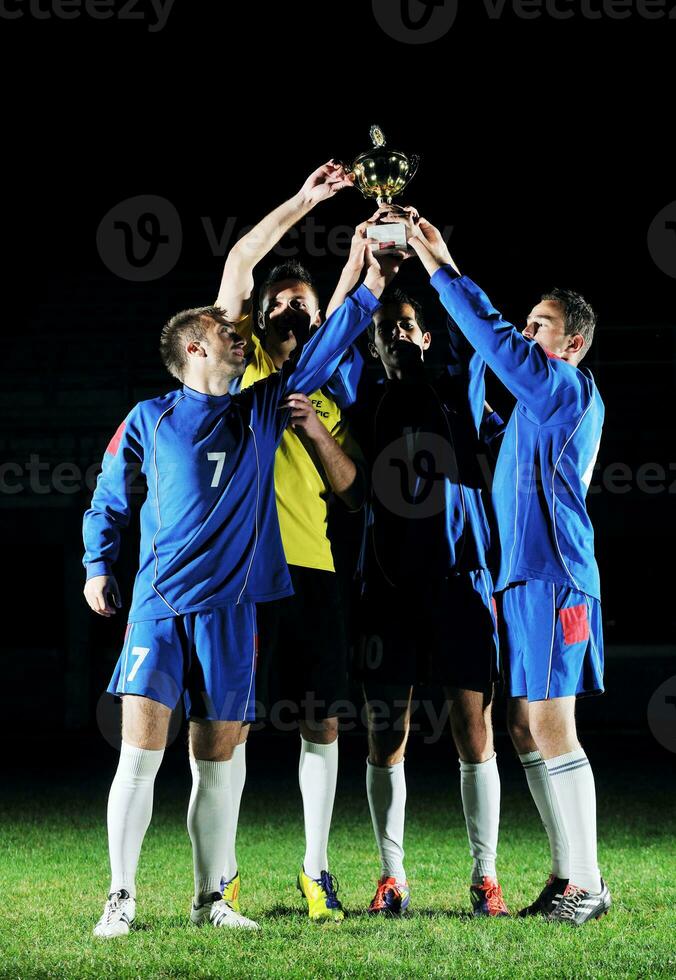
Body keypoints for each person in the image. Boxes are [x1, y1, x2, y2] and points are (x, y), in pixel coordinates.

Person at [82, 216, 394, 937]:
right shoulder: (149, 417)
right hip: (158, 608)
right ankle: (120, 897)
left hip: (230, 613)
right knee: (139, 755)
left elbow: (332, 335)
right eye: (224, 326)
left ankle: (210, 898)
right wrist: (99, 564)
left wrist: (368, 274)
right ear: (194, 344)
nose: (238, 328)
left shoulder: (260, 410)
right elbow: (108, 495)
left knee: (216, 762)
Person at [408, 217, 611, 926]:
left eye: (542, 325)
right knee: (523, 726)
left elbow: (492, 336)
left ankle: (587, 884)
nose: (528, 335)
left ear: (573, 343)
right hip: (521, 578)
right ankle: (567, 877)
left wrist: (438, 265)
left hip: (555, 576)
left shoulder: (564, 389)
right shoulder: (533, 408)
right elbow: (477, 412)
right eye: (527, 323)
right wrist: (472, 360)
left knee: (551, 726)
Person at [213, 164, 398, 922]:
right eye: (281, 303)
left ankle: (315, 872)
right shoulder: (239, 363)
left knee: (322, 720)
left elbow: (356, 491)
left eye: (305, 304)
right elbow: (236, 264)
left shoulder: (329, 385)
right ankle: (219, 877)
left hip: (315, 570)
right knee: (231, 724)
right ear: (260, 315)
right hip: (240, 573)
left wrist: (319, 432)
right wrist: (307, 202)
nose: (292, 311)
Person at [349, 272, 508, 918]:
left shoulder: (457, 393)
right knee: (387, 735)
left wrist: (435, 261)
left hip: (460, 584)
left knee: (476, 729)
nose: (399, 337)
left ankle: (486, 878)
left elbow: (481, 335)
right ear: (377, 349)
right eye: (387, 332)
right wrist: (364, 284)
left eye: (408, 327)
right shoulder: (366, 402)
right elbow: (328, 358)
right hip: (387, 587)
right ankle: (393, 878)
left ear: (429, 335)